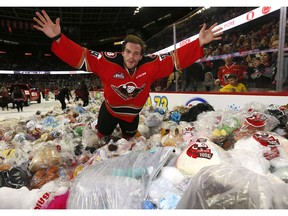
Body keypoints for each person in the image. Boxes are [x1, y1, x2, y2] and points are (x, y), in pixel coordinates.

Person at [33, 10, 223, 140]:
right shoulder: (106, 61)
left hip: (132, 115)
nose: (132, 57)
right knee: (102, 138)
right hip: (109, 111)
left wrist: (198, 43)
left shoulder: (151, 64)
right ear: (122, 52)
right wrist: (58, 38)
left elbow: (175, 59)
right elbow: (81, 56)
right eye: (128, 52)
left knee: (130, 141)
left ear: (141, 55)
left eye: (136, 53)